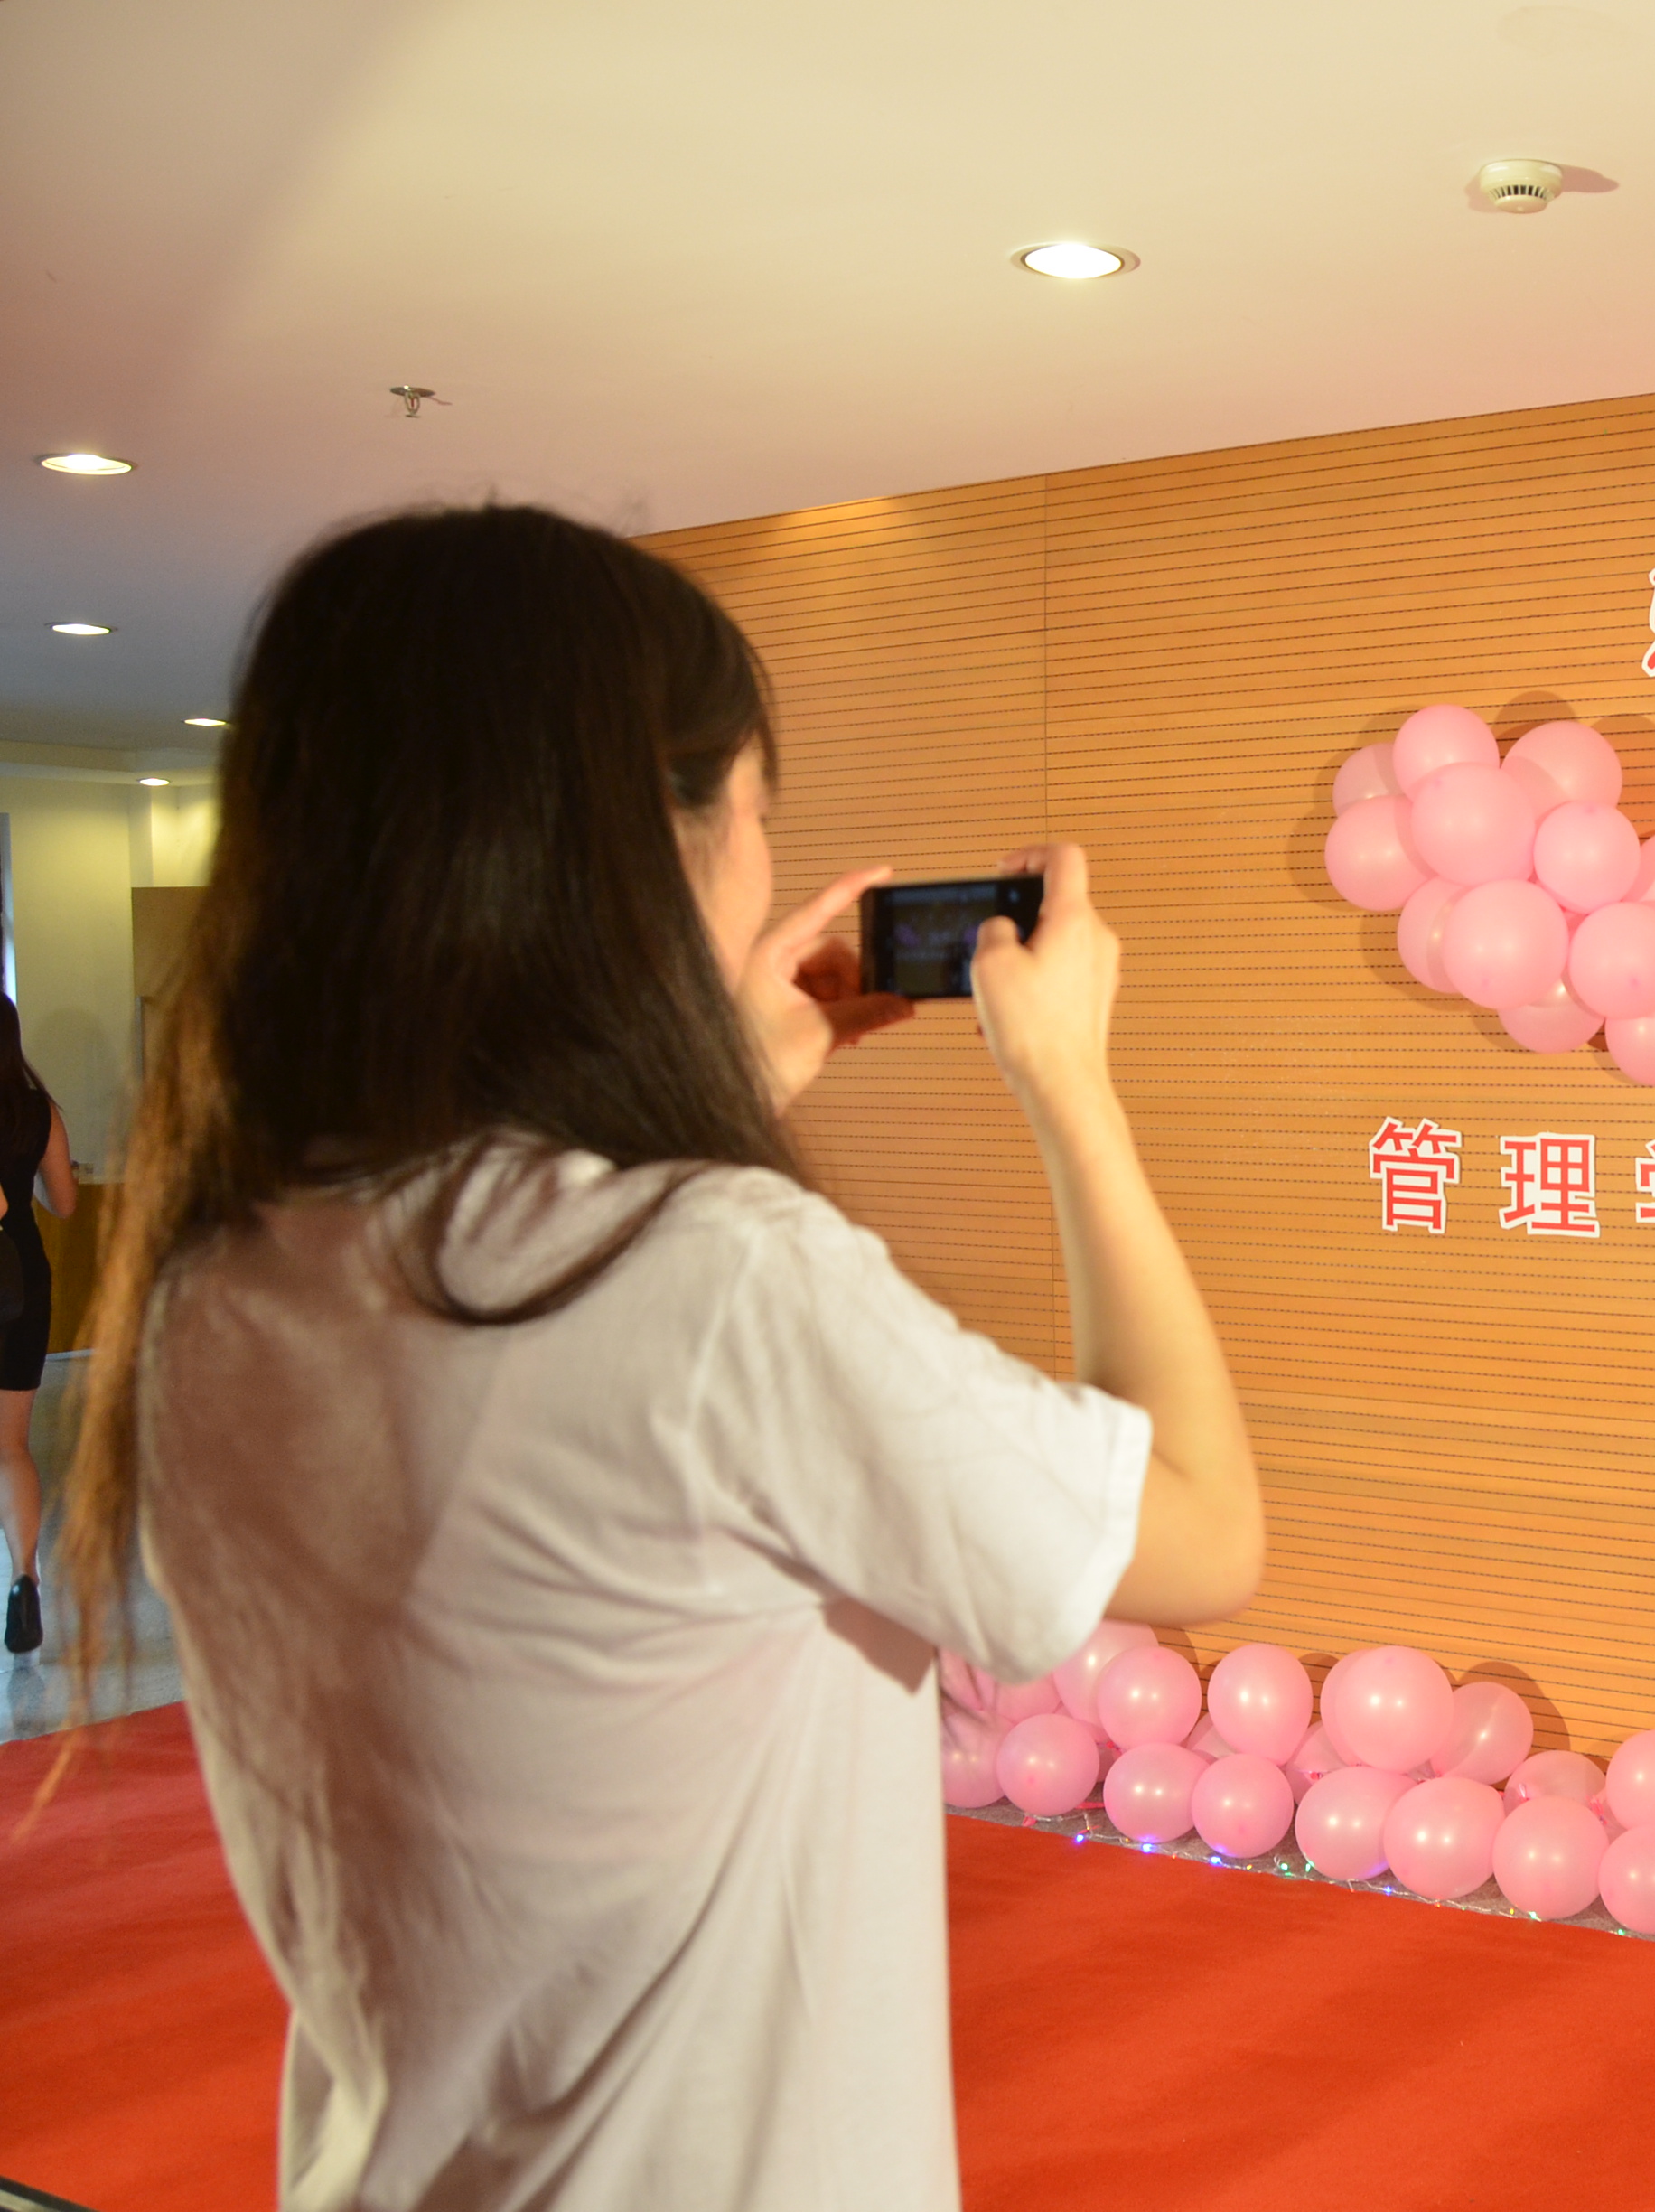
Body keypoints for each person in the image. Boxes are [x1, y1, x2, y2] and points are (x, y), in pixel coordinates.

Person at [58, 503, 1263, 2210]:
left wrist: (721, 1086)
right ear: (648, 847)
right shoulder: (716, 1276)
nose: (764, 861)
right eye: (758, 811)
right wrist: (1069, 1083)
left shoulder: (218, 1277)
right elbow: (1202, 1527)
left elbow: (554, 1390)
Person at [0, 995, 79, 1654]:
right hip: (20, 1280)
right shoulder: (38, 1111)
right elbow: (66, 1203)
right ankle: (24, 1578)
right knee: (11, 1448)